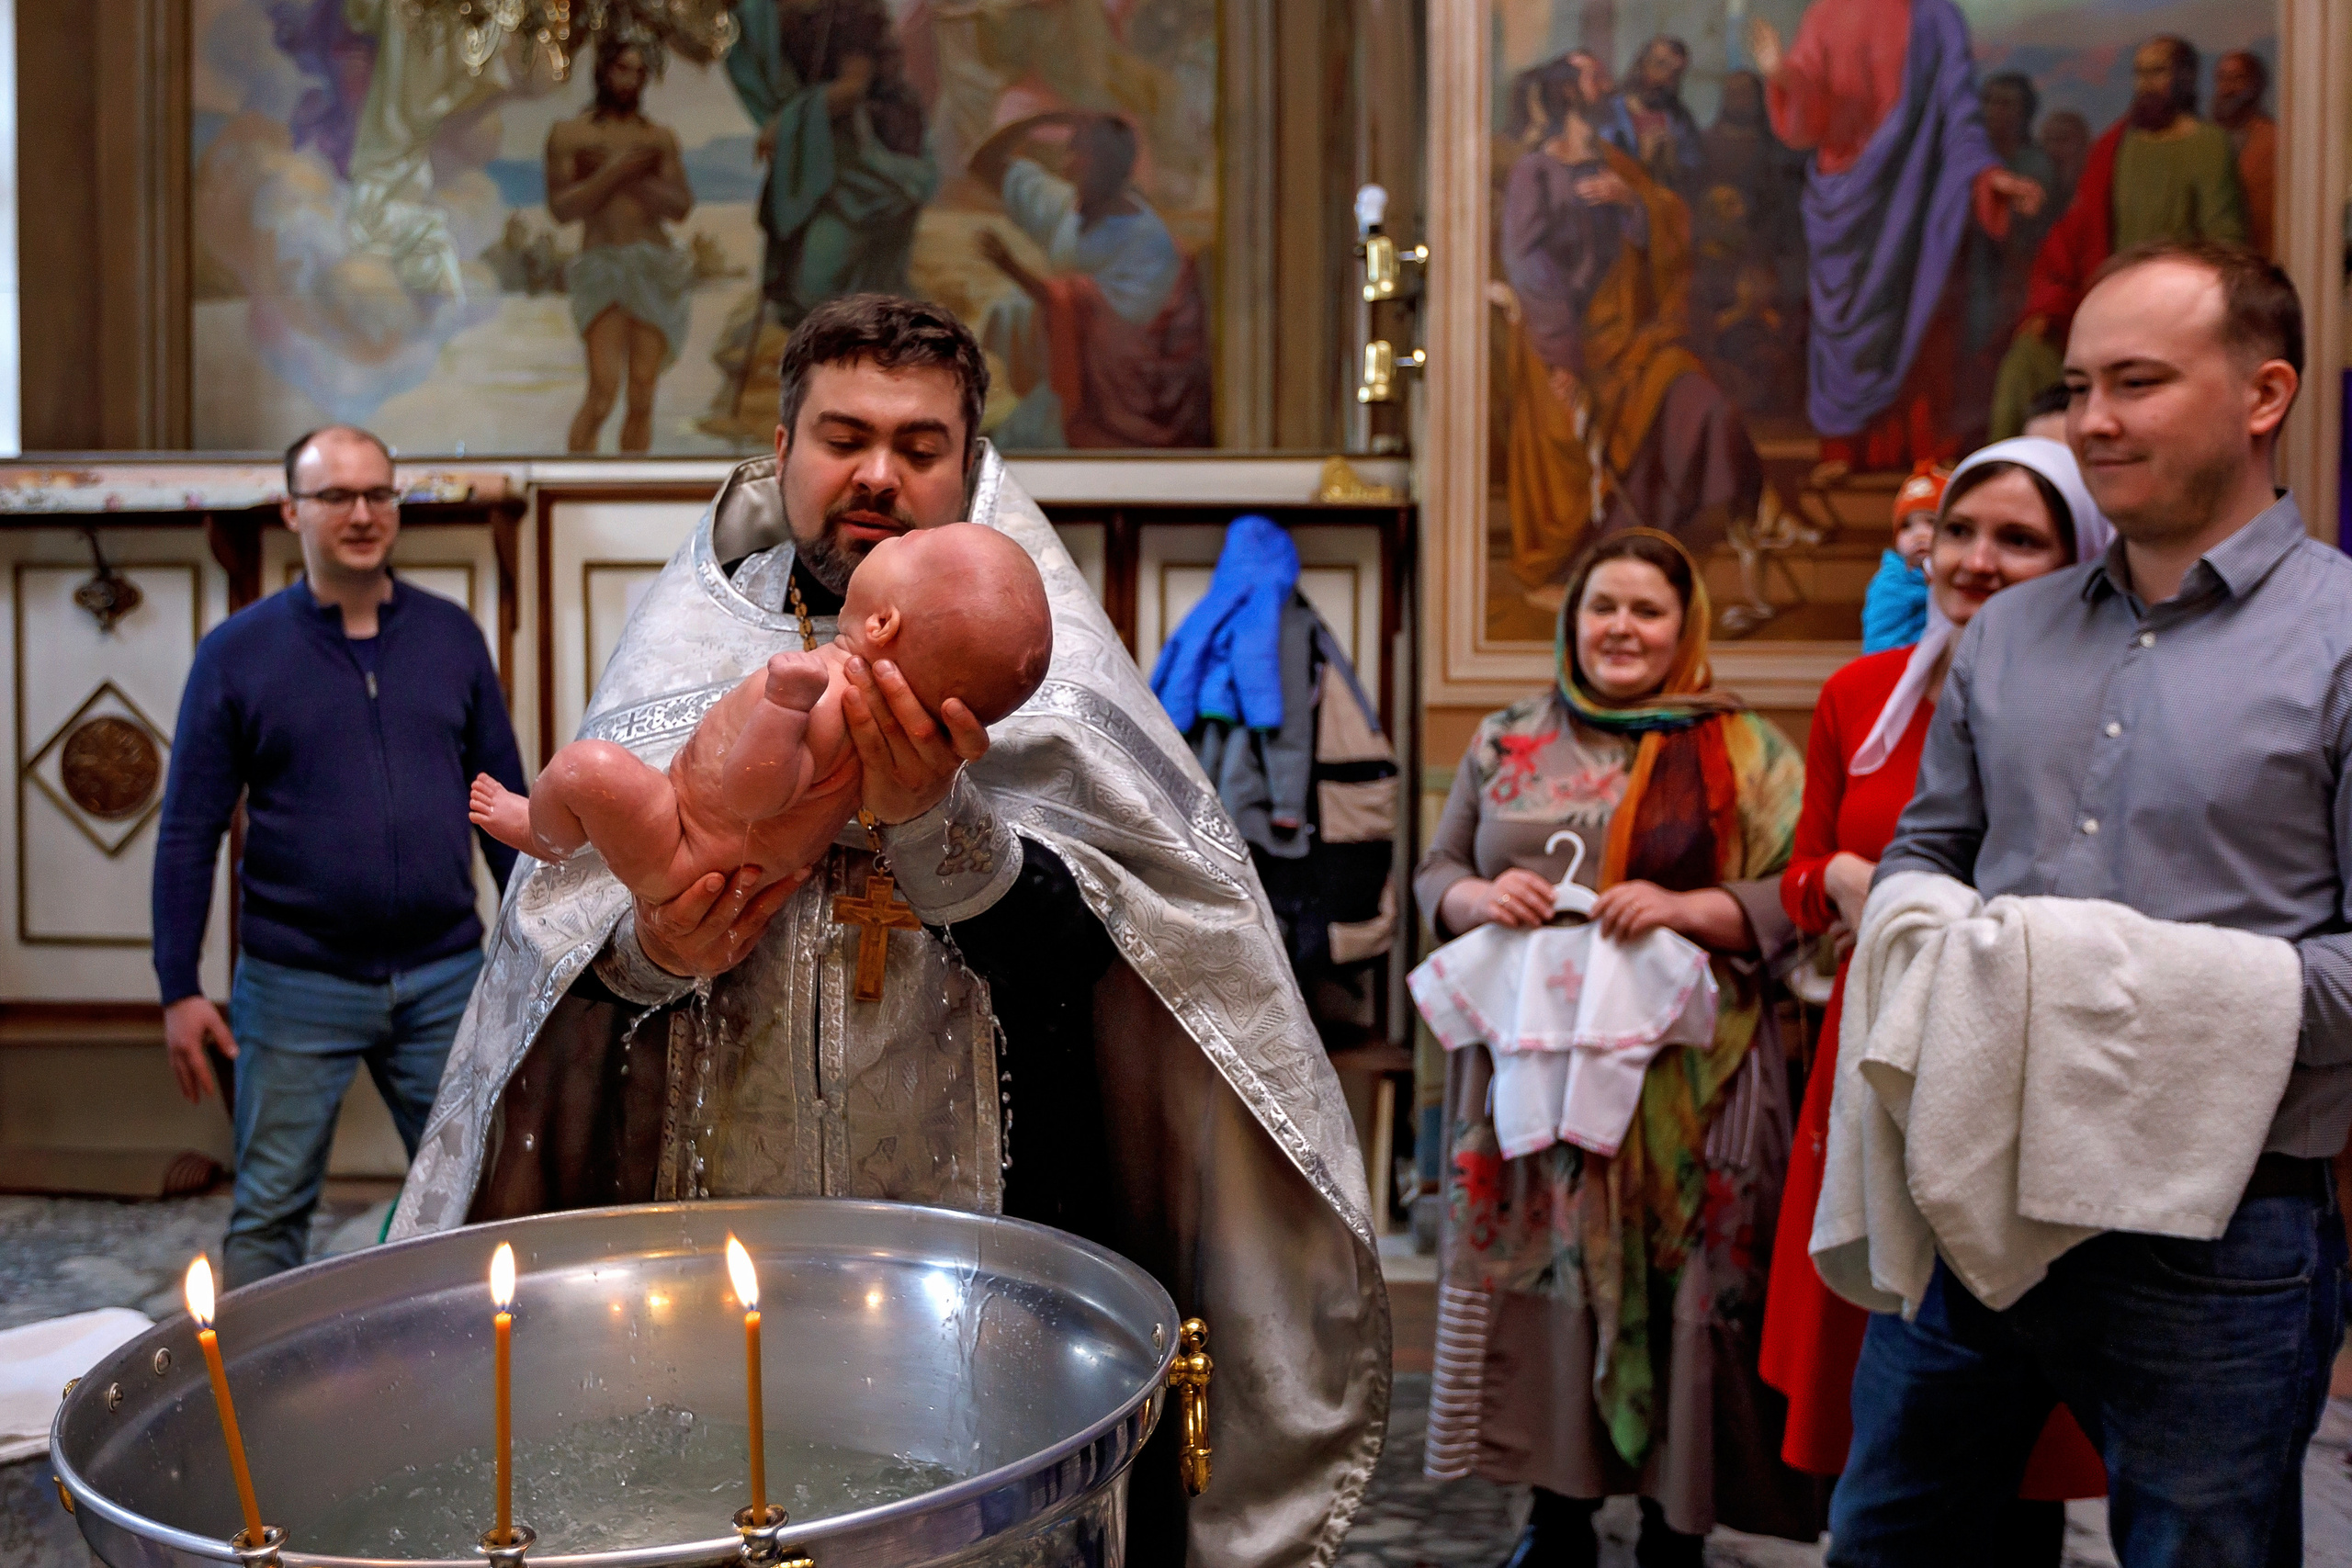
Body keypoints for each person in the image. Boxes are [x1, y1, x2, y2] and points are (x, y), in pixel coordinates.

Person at [389, 295, 1387, 1567]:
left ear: (970, 462)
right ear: (780, 445)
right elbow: (560, 958)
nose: (877, 472)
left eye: (920, 445)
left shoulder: (1049, 664)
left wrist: (939, 829)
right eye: (843, 435)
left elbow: (1148, 967)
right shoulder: (683, 643)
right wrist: (659, 949)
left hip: (997, 1244)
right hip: (715, 1235)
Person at [1829, 241, 2344, 1564]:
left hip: (2219, 1230)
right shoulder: (2006, 634)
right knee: (1887, 1543)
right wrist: (1959, 951)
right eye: (2078, 385)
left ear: (2264, 392)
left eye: (2138, 382)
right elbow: (1923, 864)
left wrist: (2103, 988)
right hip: (1971, 1189)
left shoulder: (2342, 639)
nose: (2092, 420)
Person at [1415, 529, 1818, 1565]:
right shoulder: (1506, 738)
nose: (1622, 630)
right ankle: (1557, 1515)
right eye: (1604, 607)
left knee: (1673, 1285)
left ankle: (1669, 1527)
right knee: (1548, 1283)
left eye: (1648, 611)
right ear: (1572, 619)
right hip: (1527, 1076)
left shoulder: (1744, 752)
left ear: (1684, 628)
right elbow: (1436, 872)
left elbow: (1796, 898)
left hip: (1687, 1081)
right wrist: (1475, 896)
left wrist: (1691, 906)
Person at [1764, 437, 2114, 1562]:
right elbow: (1801, 867)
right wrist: (1844, 882)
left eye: (2018, 539)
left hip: (2024, 1083)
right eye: (1958, 532)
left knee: (2017, 1454)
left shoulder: (2103, 702)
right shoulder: (1859, 693)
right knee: (1882, 1439)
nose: (1973, 560)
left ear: (2080, 556)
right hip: (1872, 1069)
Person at [152, 424, 526, 1287]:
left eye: (378, 494)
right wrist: (177, 985)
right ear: (293, 511)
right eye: (336, 497)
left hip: (442, 976)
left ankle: (480, 1381)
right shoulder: (236, 654)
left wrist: (526, 959)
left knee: (477, 1197)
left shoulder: (450, 637)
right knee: (271, 1214)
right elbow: (187, 830)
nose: (362, 514)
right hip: (294, 984)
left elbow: (504, 807)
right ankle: (250, 1406)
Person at [469, 524, 1051, 900]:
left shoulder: (825, 699)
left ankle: (538, 831)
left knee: (583, 769)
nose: (899, 534)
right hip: (693, 837)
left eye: (909, 543)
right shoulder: (863, 710)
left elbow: (752, 797)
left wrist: (781, 706)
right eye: (843, 441)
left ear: (881, 623)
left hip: (685, 851)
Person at [1497, 55, 1765, 593]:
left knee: (1697, 396)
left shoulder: (1616, 164)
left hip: (1631, 335)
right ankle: (1590, 566)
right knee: (1585, 442)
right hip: (1563, 345)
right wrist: (1563, 360)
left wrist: (1634, 206)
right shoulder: (1536, 173)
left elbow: (1663, 232)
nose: (1608, 83)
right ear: (1570, 95)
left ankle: (1654, 545)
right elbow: (1530, 268)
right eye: (1595, 77)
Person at [1748, 0, 2044, 477]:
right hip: (1847, 198)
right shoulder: (1827, 12)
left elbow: (1959, 108)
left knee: (1921, 318)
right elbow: (1808, 123)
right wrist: (1782, 77)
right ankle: (1846, 449)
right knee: (1846, 328)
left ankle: (1926, 450)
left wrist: (1987, 174)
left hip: (1917, 193)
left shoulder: (1936, 16)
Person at [1988, 36, 2247, 441]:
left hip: (2172, 317)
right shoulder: (2114, 145)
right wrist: (2049, 305)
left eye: (2158, 71)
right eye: (2140, 73)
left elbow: (2225, 240)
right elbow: (2074, 234)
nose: (2146, 83)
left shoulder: (2207, 146)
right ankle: (2006, 482)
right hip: (2102, 308)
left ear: (2185, 77)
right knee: (2025, 361)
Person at [968, 111, 1212, 449]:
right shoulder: (1068, 208)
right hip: (1070, 381)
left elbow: (1116, 337)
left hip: (1120, 403)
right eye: (1071, 152)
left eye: (1083, 155)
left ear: (1115, 168)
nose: (1070, 165)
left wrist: (1014, 270)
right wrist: (1040, 119)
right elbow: (985, 165)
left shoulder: (1149, 244)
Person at [548, 41, 696, 454]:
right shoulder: (570, 134)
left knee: (643, 395)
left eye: (637, 72)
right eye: (621, 69)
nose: (629, 81)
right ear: (602, 73)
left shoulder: (658, 138)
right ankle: (577, 488)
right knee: (602, 393)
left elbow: (680, 206)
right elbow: (562, 208)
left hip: (653, 267)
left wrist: (626, 175)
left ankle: (632, 487)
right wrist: (614, 173)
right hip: (602, 265)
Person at [1598, 37, 1703, 202]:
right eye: (1661, 65)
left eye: (1675, 72)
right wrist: (1643, 157)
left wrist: (1672, 160)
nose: (1666, 76)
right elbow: (1601, 161)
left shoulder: (1680, 119)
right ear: (1641, 64)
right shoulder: (1610, 112)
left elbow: (1694, 168)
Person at [1858, 462, 1943, 654]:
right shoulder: (1892, 583)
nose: (1919, 534)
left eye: (1932, 522)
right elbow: (1879, 646)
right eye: (1906, 526)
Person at [2213, 51, 2277, 258]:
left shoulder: (2274, 140)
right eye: (2222, 78)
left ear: (2256, 85)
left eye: (2238, 78)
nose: (2228, 88)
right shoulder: (2207, 141)